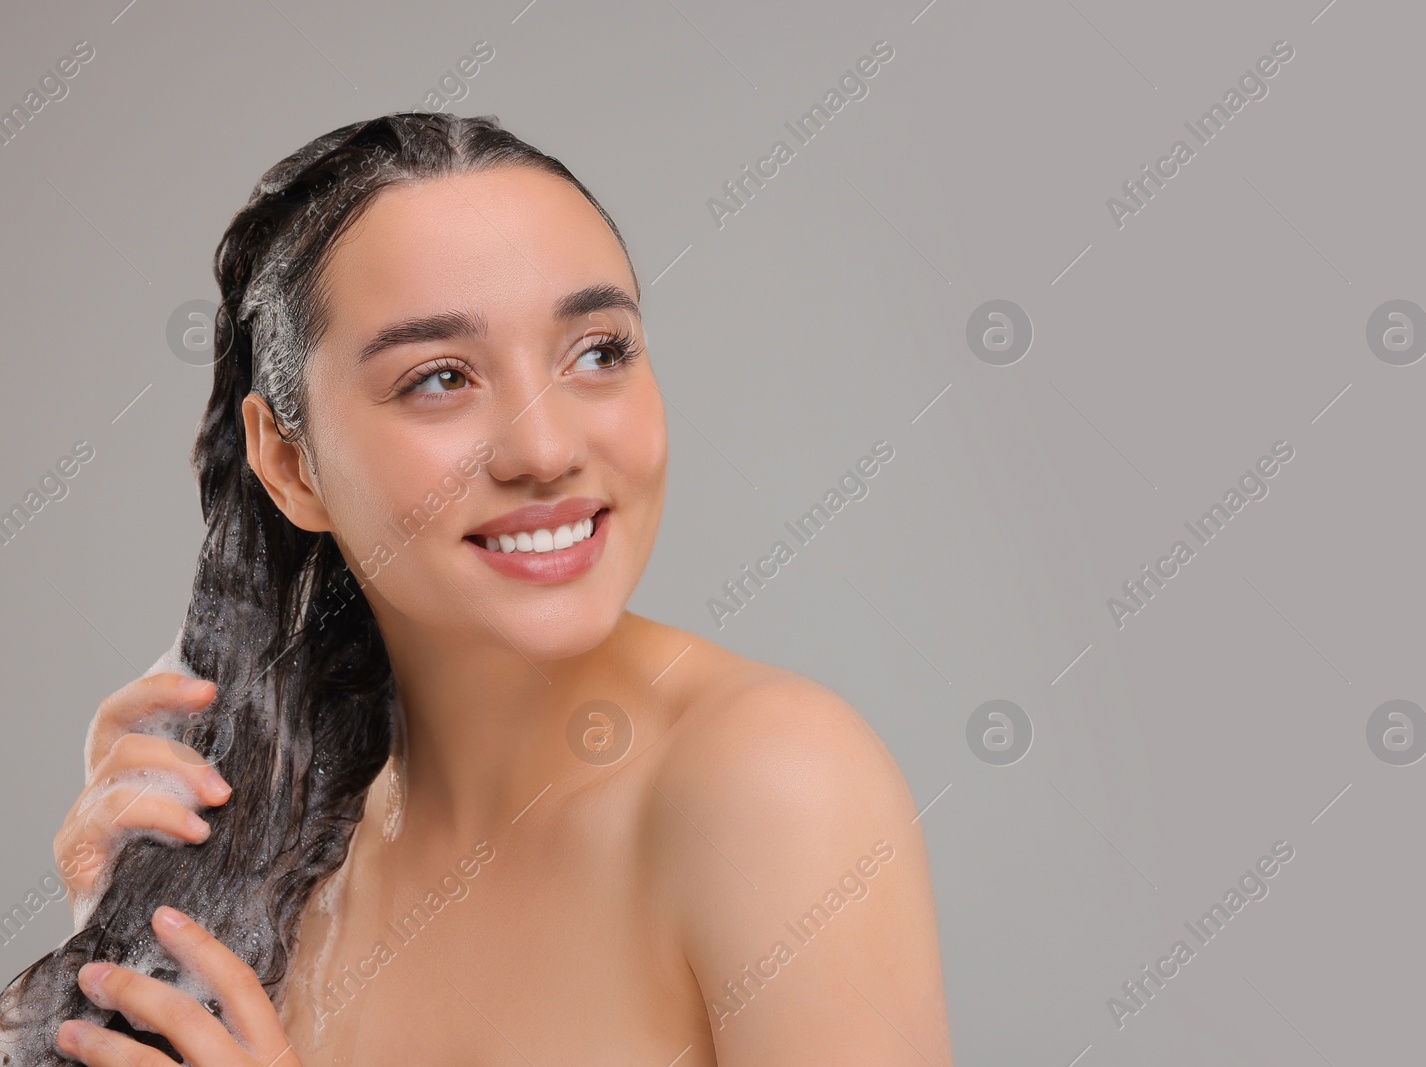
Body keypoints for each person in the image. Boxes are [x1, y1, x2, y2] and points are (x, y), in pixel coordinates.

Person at [5, 112, 951, 1066]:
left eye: (598, 351)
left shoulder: (771, 783)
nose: (547, 450)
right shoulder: (258, 839)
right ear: (290, 464)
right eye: (440, 377)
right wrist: (122, 935)